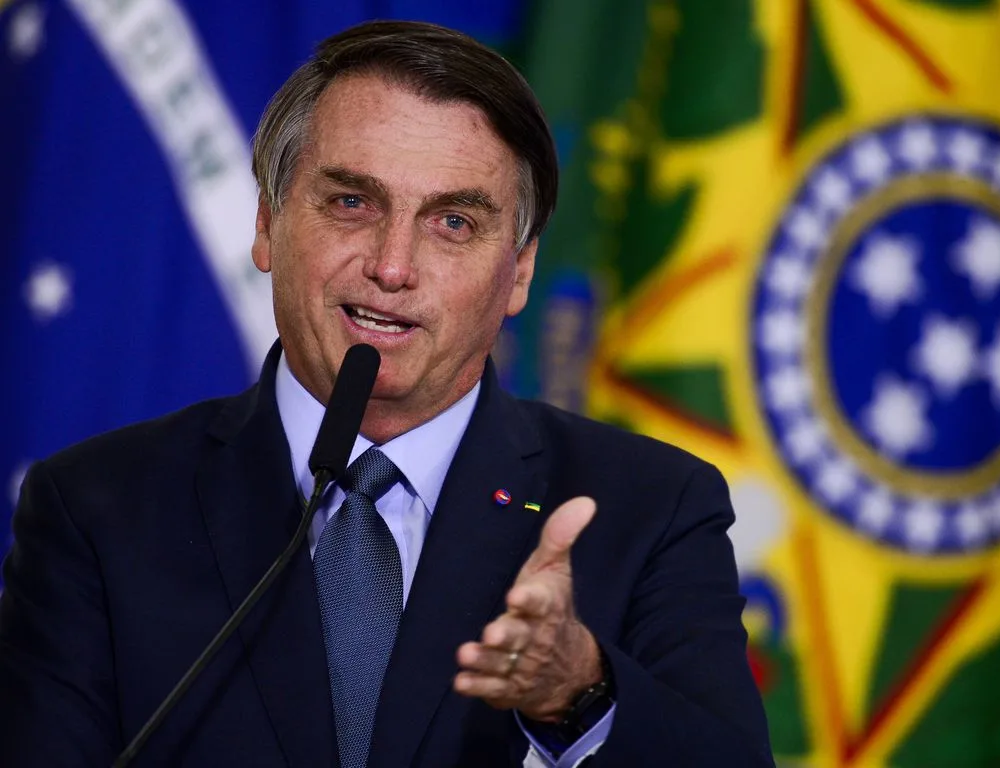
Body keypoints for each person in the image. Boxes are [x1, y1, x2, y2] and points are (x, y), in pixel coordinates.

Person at [0, 20, 773, 768]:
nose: (393, 266)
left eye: (454, 222)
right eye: (351, 203)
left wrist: (579, 691)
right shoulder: (97, 507)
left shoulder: (648, 508)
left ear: (522, 271)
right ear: (268, 222)